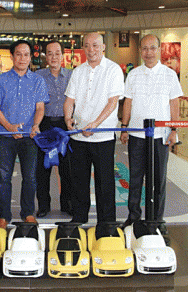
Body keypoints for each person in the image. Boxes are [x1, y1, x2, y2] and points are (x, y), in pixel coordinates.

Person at [120, 34, 183, 233]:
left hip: (160, 136)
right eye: (145, 48)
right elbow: (128, 101)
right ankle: (133, 216)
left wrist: (174, 129)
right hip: (137, 135)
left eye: (152, 48)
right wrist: (124, 126)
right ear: (140, 50)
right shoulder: (133, 74)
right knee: (136, 177)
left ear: (158, 50)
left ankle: (157, 219)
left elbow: (174, 103)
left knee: (159, 179)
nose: (148, 52)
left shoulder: (169, 74)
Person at [64, 32, 124, 224]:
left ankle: (107, 223)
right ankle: (79, 218)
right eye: (87, 46)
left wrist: (95, 125)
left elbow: (113, 102)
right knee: (79, 181)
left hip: (102, 137)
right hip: (78, 136)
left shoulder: (113, 70)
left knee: (104, 182)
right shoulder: (78, 71)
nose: (91, 50)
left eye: (95, 45)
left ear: (103, 47)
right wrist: (67, 118)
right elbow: (69, 99)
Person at [0, 40, 49, 229]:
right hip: (7, 137)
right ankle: (4, 215)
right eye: (18, 54)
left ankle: (28, 213)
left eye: (26, 54)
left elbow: (40, 107)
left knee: (30, 177)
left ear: (31, 57)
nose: (22, 58)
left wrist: (36, 125)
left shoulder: (38, 81)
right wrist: (9, 127)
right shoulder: (2, 79)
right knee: (4, 177)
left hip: (30, 138)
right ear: (12, 56)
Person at [35, 41, 73, 218]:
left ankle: (67, 204)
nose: (53, 57)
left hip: (66, 126)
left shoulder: (72, 75)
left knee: (67, 168)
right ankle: (43, 205)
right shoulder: (38, 76)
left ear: (63, 55)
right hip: (45, 125)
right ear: (45, 56)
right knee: (43, 169)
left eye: (57, 53)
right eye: (49, 53)